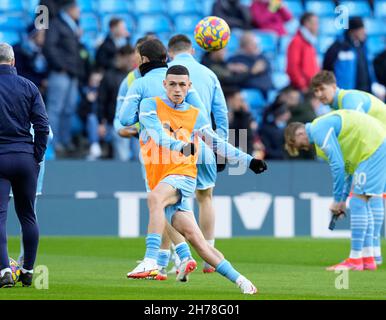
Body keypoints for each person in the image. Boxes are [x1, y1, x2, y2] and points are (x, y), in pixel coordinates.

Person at [126, 65, 267, 294]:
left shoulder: (194, 113)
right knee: (198, 242)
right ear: (164, 85)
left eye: (182, 84)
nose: (178, 89)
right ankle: (243, 281)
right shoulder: (150, 105)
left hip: (183, 174)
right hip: (161, 176)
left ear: (189, 86)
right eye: (172, 84)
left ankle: (151, 261)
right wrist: (181, 145)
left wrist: (249, 160)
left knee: (154, 198)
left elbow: (216, 142)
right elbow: (158, 136)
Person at [118, 39, 211, 281]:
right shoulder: (180, 82)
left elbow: (125, 119)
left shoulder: (139, 83)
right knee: (176, 205)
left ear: (144, 59)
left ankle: (162, 261)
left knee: (159, 203)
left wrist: (144, 120)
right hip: (187, 149)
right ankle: (179, 257)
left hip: (155, 151)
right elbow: (203, 116)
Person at [285, 110, 386, 271]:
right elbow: (347, 168)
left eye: (298, 144)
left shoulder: (318, 130)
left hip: (374, 146)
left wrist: (337, 199)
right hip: (374, 144)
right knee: (361, 199)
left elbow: (338, 167)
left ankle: (355, 259)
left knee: (358, 200)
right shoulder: (324, 136)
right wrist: (342, 198)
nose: (302, 148)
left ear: (300, 132)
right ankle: (367, 259)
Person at [168, 34, 230, 272]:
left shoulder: (167, 74)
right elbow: (221, 112)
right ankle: (209, 257)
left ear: (170, 53)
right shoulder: (209, 74)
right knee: (205, 197)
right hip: (204, 143)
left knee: (173, 202)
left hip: (175, 144)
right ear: (192, 50)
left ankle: (182, 258)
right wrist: (220, 145)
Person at [310, 70, 386, 264]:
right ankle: (373, 254)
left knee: (366, 195)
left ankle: (369, 254)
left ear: (334, 86)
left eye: (322, 89)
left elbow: (363, 130)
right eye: (315, 91)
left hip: (377, 145)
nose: (319, 94)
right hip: (378, 146)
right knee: (373, 195)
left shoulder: (350, 100)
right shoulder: (338, 107)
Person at [0, 43, 49, 288]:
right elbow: (42, 125)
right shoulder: (29, 86)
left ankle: (3, 272)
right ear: (13, 61)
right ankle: (28, 271)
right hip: (25, 157)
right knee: (28, 216)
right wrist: (36, 156)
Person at [43, 0, 83, 155]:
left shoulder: (72, 26)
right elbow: (49, 47)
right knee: (55, 109)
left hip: (72, 74)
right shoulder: (56, 24)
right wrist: (61, 66)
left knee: (69, 109)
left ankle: (64, 142)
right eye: (76, 8)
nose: (79, 11)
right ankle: (51, 144)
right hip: (60, 73)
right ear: (69, 9)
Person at [98, 44, 136, 159]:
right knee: (122, 157)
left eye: (133, 59)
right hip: (117, 123)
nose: (131, 62)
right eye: (129, 59)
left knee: (140, 159)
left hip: (137, 123)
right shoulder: (109, 76)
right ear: (121, 57)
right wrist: (101, 123)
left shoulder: (137, 76)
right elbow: (101, 101)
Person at [323, 17, 374, 93]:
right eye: (361, 30)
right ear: (353, 31)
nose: (364, 33)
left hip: (364, 93)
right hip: (345, 94)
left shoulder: (362, 46)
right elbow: (327, 68)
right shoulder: (337, 47)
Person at [227, 31, 273, 97]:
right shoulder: (235, 60)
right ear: (244, 45)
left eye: (256, 43)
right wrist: (252, 71)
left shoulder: (262, 57)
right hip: (248, 92)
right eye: (253, 43)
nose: (256, 45)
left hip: (266, 90)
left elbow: (268, 68)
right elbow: (238, 79)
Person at [286, 12, 319, 93]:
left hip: (311, 87)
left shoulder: (309, 42)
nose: (317, 26)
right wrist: (303, 86)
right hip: (302, 90)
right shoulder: (297, 41)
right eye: (315, 23)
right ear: (307, 24)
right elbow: (292, 68)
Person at [13, 25, 48, 95]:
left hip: (36, 89)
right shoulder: (18, 50)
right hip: (21, 90)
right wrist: (39, 81)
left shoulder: (42, 51)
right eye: (42, 35)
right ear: (34, 35)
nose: (45, 37)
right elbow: (18, 73)